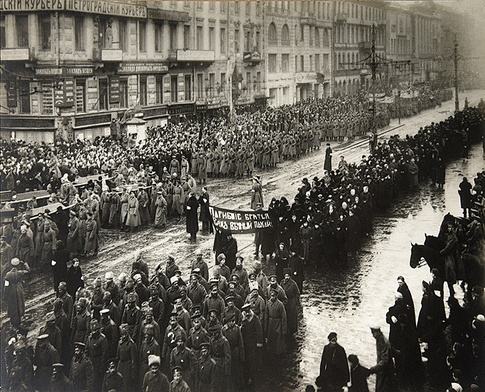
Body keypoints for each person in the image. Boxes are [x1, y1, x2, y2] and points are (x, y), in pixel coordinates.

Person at [4, 257, 30, 328]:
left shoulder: (8, 274)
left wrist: (5, 294)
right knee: (19, 302)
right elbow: (28, 270)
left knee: (13, 305)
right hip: (19, 288)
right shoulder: (20, 273)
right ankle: (19, 317)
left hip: (12, 290)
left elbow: (6, 285)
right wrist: (24, 264)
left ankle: (14, 320)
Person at [369, 326, 395, 392]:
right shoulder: (380, 339)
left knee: (383, 388)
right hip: (382, 369)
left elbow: (384, 360)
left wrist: (374, 368)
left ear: (378, 332)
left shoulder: (383, 342)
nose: (373, 335)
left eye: (373, 333)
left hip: (385, 370)